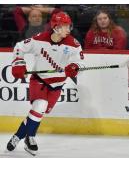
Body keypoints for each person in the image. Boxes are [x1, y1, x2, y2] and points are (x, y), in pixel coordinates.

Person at [6, 12, 84, 156]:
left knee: (38, 113)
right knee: (40, 106)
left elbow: (80, 63)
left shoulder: (74, 44)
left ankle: (17, 136)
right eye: (64, 26)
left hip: (57, 85)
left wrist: (75, 67)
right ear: (55, 27)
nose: (68, 29)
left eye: (69, 26)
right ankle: (30, 139)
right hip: (39, 80)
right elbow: (19, 47)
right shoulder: (39, 39)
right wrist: (18, 64)